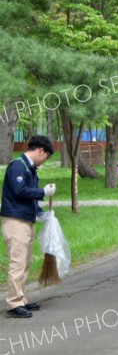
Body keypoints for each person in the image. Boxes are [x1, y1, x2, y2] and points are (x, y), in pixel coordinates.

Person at [1, 135, 56, 318]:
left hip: (27, 220)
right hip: (15, 221)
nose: (44, 161)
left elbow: (29, 197)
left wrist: (41, 214)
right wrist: (43, 192)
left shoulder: (31, 169)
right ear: (40, 150)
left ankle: (21, 298)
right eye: (46, 156)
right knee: (17, 262)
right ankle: (14, 304)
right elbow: (20, 191)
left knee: (25, 262)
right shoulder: (18, 166)